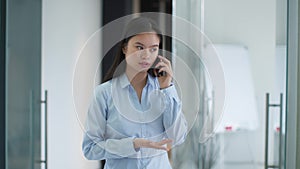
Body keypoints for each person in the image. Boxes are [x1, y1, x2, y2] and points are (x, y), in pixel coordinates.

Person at [82, 16, 187, 169]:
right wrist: (132, 145)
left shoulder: (165, 91)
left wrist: (167, 89)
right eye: (139, 47)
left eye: (153, 49)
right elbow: (90, 149)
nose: (146, 55)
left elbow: (177, 137)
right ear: (125, 48)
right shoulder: (104, 94)